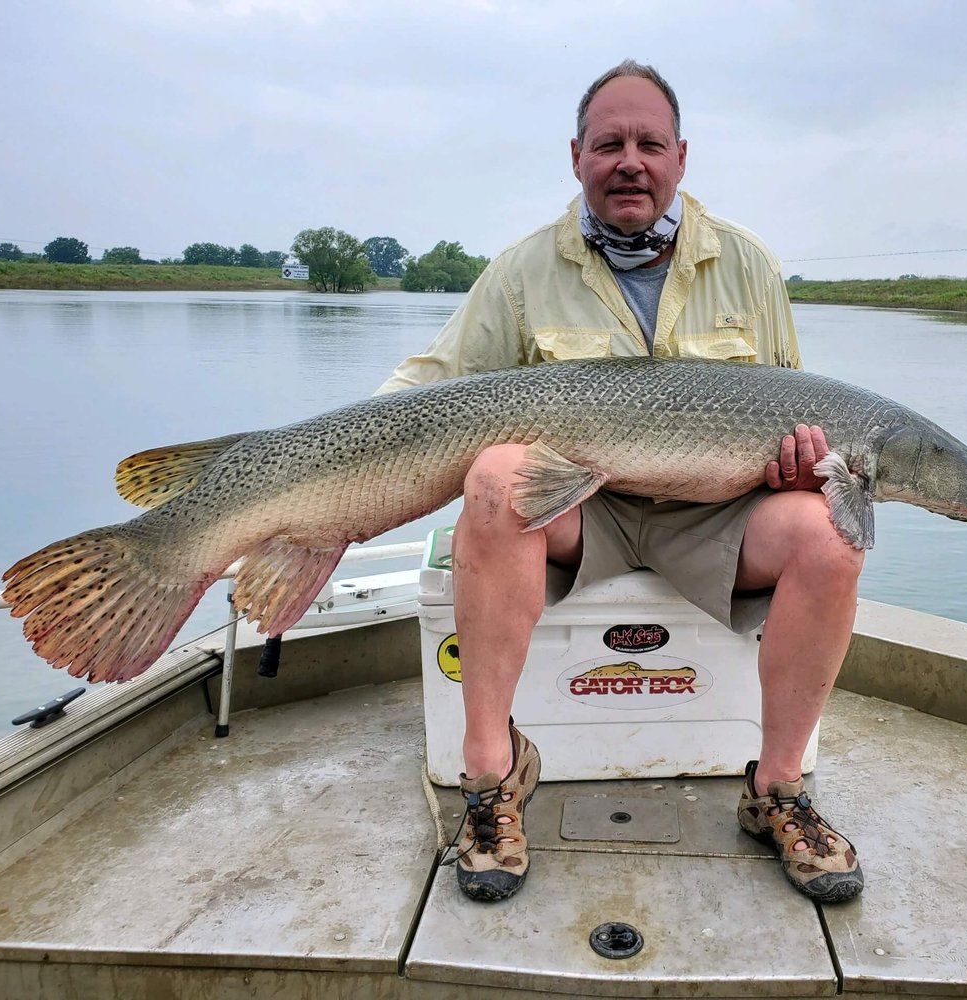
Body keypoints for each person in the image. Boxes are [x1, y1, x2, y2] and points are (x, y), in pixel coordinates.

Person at [377, 60, 865, 905]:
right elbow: (429, 385)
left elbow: (789, 402)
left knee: (829, 533)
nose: (628, 160)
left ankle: (778, 788)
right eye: (609, 144)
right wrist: (316, 463)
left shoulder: (748, 264)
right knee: (495, 473)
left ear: (681, 157)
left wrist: (797, 460)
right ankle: (492, 773)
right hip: (582, 511)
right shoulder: (523, 270)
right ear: (577, 158)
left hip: (713, 518)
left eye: (648, 143)